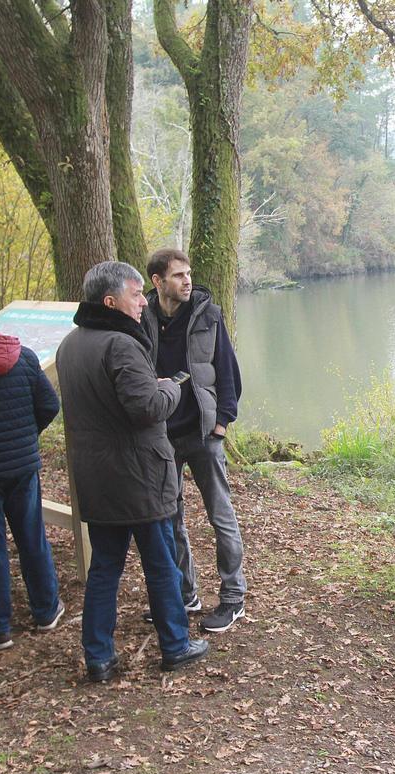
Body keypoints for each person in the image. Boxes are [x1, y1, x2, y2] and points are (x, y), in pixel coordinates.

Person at [56, 261, 208, 682]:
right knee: (161, 563)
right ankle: (175, 645)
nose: (143, 301)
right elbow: (147, 408)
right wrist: (169, 386)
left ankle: (99, 657)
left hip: (98, 479)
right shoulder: (120, 345)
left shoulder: (70, 344)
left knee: (104, 567)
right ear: (111, 301)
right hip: (139, 479)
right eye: (136, 294)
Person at [141, 248, 246, 633]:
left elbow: (229, 374)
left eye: (188, 274)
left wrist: (221, 425)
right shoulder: (144, 317)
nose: (187, 280)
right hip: (161, 437)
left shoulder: (208, 316)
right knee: (171, 521)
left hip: (203, 435)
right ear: (157, 281)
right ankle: (186, 595)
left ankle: (233, 598)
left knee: (221, 517)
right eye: (178, 275)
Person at [0, 293, 65, 652]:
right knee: (32, 536)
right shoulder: (23, 355)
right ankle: (46, 610)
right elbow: (49, 405)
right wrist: (25, 438)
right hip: (21, 466)